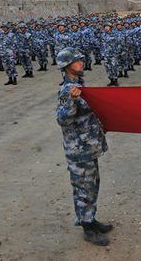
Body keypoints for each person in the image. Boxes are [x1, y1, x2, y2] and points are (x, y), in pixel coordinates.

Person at [55, 48, 113, 246]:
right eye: (76, 61)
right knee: (83, 188)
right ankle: (88, 228)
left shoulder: (79, 85)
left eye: (81, 59)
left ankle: (90, 218)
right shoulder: (66, 91)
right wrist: (71, 101)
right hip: (78, 151)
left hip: (88, 147)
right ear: (66, 66)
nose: (81, 62)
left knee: (92, 185)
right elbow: (62, 119)